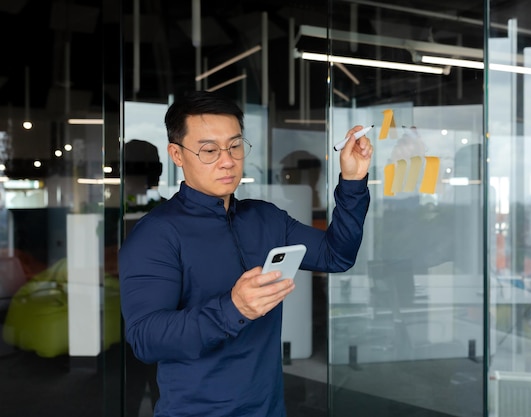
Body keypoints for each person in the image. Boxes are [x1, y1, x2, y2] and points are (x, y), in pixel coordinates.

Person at [118, 90, 373, 417]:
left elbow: (337, 255)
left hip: (269, 408)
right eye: (209, 150)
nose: (227, 161)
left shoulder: (265, 218)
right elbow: (145, 339)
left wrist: (353, 180)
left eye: (235, 146)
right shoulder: (155, 234)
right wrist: (233, 308)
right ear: (177, 155)